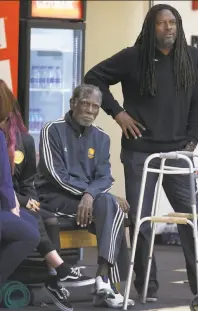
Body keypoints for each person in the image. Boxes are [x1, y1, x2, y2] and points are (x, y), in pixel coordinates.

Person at [84, 3, 198, 303]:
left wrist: (193, 139)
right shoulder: (134, 56)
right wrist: (117, 113)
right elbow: (94, 76)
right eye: (161, 23)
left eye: (172, 22)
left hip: (178, 154)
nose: (168, 28)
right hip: (140, 153)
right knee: (141, 221)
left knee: (192, 221)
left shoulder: (191, 57)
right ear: (150, 26)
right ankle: (148, 287)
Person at [35, 84, 135, 309]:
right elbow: (55, 175)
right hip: (54, 198)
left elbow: (105, 178)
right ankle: (108, 284)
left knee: (112, 204)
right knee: (111, 205)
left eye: (95, 106)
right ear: (73, 104)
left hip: (86, 202)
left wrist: (90, 195)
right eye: (85, 104)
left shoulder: (102, 137)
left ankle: (102, 277)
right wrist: (88, 194)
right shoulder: (52, 129)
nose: (90, 110)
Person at [0, 79, 94, 311]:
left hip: (15, 199)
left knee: (44, 216)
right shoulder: (3, 139)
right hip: (8, 202)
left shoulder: (25, 141)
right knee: (32, 222)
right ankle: (58, 271)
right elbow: (5, 185)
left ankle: (55, 276)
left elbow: (27, 181)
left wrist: (29, 199)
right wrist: (19, 201)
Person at [0, 110, 40, 286]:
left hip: (7, 201)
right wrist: (13, 205)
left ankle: (52, 273)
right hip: (5, 203)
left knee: (32, 222)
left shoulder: (23, 140)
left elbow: (22, 181)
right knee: (29, 234)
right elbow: (4, 180)